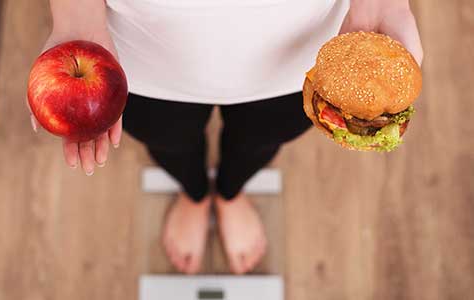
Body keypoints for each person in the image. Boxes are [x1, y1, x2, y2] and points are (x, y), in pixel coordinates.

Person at [28, 0, 423, 275]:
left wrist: (383, 4)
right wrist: (76, 12)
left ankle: (231, 192)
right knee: (168, 138)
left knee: (262, 138)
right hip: (140, 54)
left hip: (299, 52)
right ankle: (194, 194)